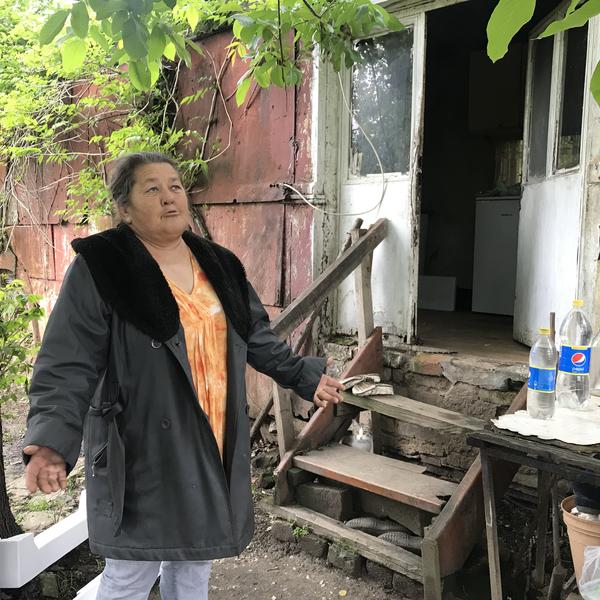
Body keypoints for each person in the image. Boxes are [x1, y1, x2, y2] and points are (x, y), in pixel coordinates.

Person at [22, 152, 344, 600]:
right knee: (131, 573)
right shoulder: (103, 266)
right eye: (152, 189)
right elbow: (66, 362)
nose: (169, 197)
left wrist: (305, 376)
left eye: (175, 186)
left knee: (193, 563)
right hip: (140, 446)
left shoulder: (219, 263)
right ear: (124, 208)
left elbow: (255, 335)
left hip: (210, 436)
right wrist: (50, 443)